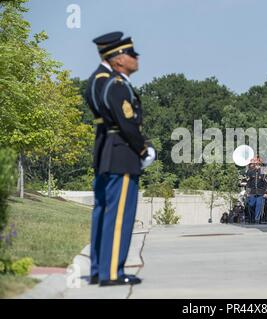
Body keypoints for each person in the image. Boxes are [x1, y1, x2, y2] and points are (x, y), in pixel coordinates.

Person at [96, 35, 155, 286]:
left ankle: (113, 270)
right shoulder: (118, 86)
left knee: (122, 216)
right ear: (119, 60)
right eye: (132, 54)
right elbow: (126, 124)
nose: (137, 58)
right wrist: (144, 150)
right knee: (119, 216)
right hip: (122, 157)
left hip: (121, 156)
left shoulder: (120, 84)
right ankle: (110, 272)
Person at [84, 31, 123, 285]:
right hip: (111, 149)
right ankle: (105, 269)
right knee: (109, 210)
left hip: (104, 148)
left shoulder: (99, 78)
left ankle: (99, 266)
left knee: (102, 209)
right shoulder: (104, 80)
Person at [245, 157, 267, 224]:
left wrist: (265, 192)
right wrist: (248, 192)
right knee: (251, 205)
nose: (257, 166)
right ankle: (252, 216)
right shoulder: (251, 172)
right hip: (252, 192)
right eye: (256, 164)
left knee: (259, 205)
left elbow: (265, 183)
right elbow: (248, 183)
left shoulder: (263, 173)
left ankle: (257, 219)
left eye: (259, 164)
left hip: (260, 192)